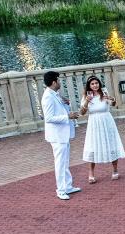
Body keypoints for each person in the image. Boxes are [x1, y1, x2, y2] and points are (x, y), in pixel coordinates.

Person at [41, 70, 81, 200]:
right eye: (58, 80)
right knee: (60, 162)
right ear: (54, 82)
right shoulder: (48, 96)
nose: (60, 82)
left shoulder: (55, 94)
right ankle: (61, 190)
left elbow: (58, 108)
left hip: (63, 134)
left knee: (65, 161)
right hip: (57, 136)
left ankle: (68, 186)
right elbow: (49, 118)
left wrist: (65, 104)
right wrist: (67, 116)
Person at [79, 75, 125, 183]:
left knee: (111, 144)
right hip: (94, 123)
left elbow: (112, 104)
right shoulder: (87, 96)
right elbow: (82, 112)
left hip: (107, 121)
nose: (95, 85)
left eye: (96, 83)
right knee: (93, 146)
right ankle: (91, 173)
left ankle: (114, 170)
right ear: (89, 86)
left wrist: (112, 100)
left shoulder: (104, 93)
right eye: (92, 84)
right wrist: (86, 101)